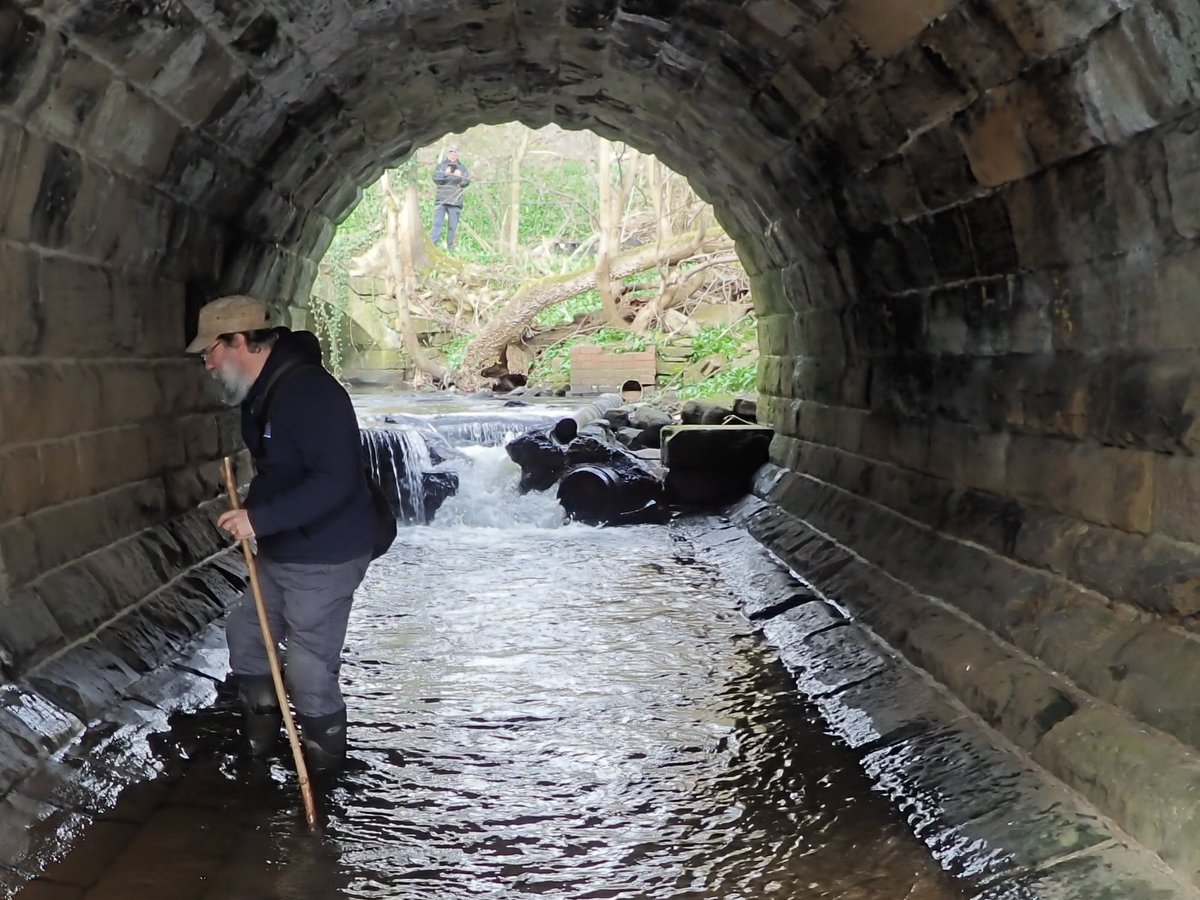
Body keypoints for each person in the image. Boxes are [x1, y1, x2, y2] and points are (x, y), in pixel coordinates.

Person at [185, 294, 376, 773]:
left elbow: (338, 479)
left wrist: (260, 519)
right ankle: (260, 749)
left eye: (211, 351)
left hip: (326, 552)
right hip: (285, 546)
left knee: (308, 668)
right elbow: (288, 468)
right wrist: (258, 510)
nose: (208, 365)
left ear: (240, 341)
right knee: (247, 635)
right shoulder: (262, 392)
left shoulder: (311, 394)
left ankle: (325, 779)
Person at [431, 146, 470, 249]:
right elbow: (436, 178)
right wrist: (446, 174)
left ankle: (451, 248)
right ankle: (433, 245)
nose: (453, 156)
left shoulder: (462, 167)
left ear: (457, 156)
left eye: (455, 154)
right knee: (437, 224)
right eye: (451, 153)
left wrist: (460, 176)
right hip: (441, 200)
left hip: (455, 201)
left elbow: (466, 182)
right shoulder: (442, 166)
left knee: (453, 226)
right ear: (448, 154)